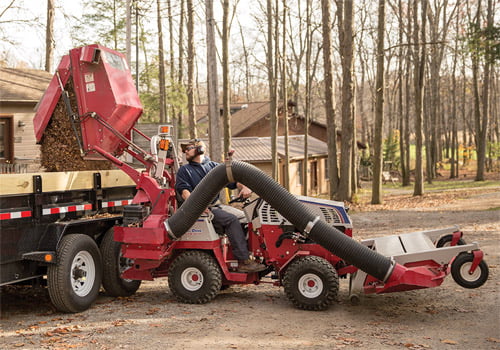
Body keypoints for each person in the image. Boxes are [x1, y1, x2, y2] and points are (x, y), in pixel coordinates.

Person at [175, 138, 266, 273]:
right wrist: (196, 207)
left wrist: (244, 187)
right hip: (201, 210)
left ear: (199, 149)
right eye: (184, 150)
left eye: (187, 149)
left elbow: (233, 182)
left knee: (246, 218)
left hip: (216, 206)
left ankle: (249, 254)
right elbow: (184, 192)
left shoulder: (214, 167)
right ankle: (243, 261)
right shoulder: (185, 170)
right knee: (231, 219)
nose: (185, 152)